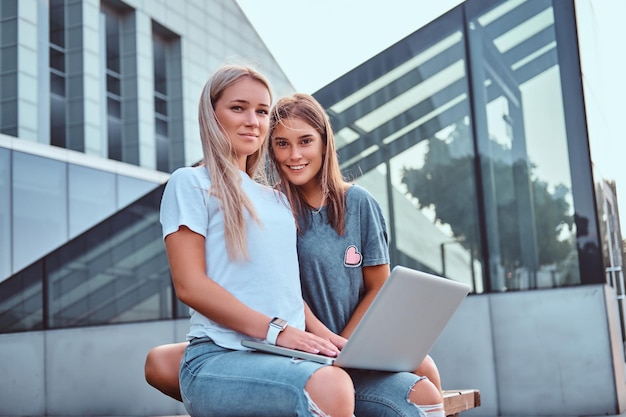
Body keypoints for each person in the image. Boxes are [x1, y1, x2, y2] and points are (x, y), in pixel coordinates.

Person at [146, 91, 445, 416]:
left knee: (424, 377)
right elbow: (249, 281)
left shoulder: (353, 204)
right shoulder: (265, 205)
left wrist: (338, 346)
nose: (294, 154)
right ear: (270, 149)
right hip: (281, 344)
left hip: (327, 344)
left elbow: (378, 287)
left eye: (305, 141)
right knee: (159, 362)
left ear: (323, 143)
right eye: (282, 144)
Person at [158, 64, 355, 417]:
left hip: (287, 356)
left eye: (262, 111)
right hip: (219, 357)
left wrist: (329, 340)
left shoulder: (279, 199)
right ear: (211, 113)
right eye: (238, 108)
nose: (253, 120)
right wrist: (278, 332)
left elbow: (284, 290)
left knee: (415, 387)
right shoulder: (190, 183)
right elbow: (190, 286)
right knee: (331, 385)